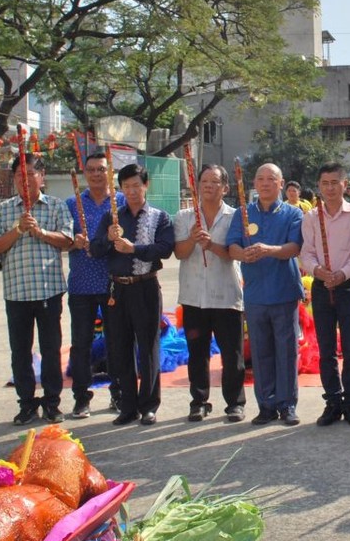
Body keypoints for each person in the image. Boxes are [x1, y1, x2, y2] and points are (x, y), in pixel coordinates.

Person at [0, 154, 73, 426]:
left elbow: (67, 240)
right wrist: (17, 229)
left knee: (51, 349)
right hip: (16, 291)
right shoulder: (3, 210)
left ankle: (52, 403)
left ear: (42, 176)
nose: (24, 181)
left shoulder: (55, 206)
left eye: (30, 174)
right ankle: (26, 404)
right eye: (18, 175)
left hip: (48, 290)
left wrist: (40, 232)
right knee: (20, 352)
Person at [91, 163, 174, 426]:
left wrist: (134, 249)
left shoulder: (159, 217)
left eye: (136, 185)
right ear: (121, 189)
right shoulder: (111, 217)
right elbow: (95, 250)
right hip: (116, 288)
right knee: (119, 346)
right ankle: (127, 405)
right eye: (126, 187)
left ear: (146, 185)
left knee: (148, 346)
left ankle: (149, 404)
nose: (132, 191)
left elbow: (165, 248)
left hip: (146, 285)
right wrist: (107, 237)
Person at [227, 163, 304, 426]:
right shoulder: (243, 214)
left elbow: (294, 247)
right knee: (260, 352)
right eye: (260, 179)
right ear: (254, 184)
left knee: (286, 350)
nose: (265, 183)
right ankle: (266, 405)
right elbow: (232, 246)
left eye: (271, 179)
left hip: (283, 291)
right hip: (256, 293)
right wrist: (243, 254)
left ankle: (288, 405)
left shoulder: (293, 214)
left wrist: (269, 250)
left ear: (281, 183)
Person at [174, 164, 246, 423]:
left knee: (232, 354)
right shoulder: (184, 217)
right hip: (194, 297)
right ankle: (199, 401)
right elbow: (179, 253)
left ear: (225, 188)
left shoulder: (236, 216)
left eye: (214, 181)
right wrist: (193, 239)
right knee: (197, 353)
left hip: (226, 295)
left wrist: (212, 245)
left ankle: (235, 403)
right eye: (203, 181)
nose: (208, 185)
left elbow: (235, 254)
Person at [301, 162, 350, 427]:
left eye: (335, 183)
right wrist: (318, 271)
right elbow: (306, 252)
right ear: (319, 186)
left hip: (348, 285)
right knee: (326, 348)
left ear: (345, 185)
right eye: (324, 183)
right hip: (321, 287)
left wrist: (342, 274)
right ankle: (332, 401)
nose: (329, 188)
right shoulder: (310, 217)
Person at [66, 150, 125, 418]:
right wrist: (72, 241)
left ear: (109, 173)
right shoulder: (71, 203)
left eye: (101, 169)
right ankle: (81, 397)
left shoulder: (121, 202)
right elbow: (62, 236)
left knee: (117, 341)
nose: (96, 174)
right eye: (91, 170)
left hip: (112, 282)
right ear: (84, 173)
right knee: (81, 343)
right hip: (81, 283)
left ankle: (119, 393)